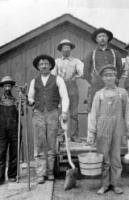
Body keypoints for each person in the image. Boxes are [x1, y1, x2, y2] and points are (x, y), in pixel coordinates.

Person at [87, 64, 129, 195]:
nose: (109, 78)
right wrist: (92, 133)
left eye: (111, 75)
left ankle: (116, 184)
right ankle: (105, 184)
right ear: (102, 78)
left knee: (116, 157)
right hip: (102, 128)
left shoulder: (122, 93)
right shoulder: (98, 94)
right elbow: (93, 114)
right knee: (103, 157)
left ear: (115, 77)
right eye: (106, 75)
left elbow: (128, 112)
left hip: (118, 127)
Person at [28, 54, 69, 184]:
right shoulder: (34, 81)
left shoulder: (58, 79)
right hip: (38, 113)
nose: (44, 66)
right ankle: (41, 173)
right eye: (41, 64)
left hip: (53, 113)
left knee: (52, 143)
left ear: (51, 65)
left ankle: (50, 172)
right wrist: (29, 101)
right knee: (39, 144)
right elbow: (31, 98)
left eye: (46, 63)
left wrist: (64, 112)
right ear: (38, 67)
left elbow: (65, 97)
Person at [84, 28, 123, 132]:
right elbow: (85, 72)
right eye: (99, 37)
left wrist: (115, 80)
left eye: (104, 36)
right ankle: (93, 134)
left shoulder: (115, 53)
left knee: (113, 108)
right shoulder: (91, 54)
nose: (102, 38)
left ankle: (113, 133)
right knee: (94, 109)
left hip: (113, 85)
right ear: (96, 40)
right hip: (97, 86)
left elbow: (120, 68)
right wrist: (93, 82)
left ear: (108, 38)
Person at [52, 39, 84, 143]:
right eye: (64, 47)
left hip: (72, 87)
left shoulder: (76, 61)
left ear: (71, 49)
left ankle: (74, 135)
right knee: (61, 111)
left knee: (74, 112)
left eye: (68, 47)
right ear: (61, 49)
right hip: (60, 87)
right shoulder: (57, 61)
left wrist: (76, 76)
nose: (66, 49)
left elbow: (82, 72)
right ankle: (61, 134)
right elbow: (53, 75)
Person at [0, 76, 21, 184]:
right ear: (3, 87)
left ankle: (12, 175)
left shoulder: (16, 101)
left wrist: (21, 106)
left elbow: (22, 114)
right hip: (1, 131)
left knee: (14, 154)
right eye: (5, 86)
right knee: (1, 154)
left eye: (9, 86)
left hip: (15, 130)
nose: (7, 88)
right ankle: (0, 177)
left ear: (11, 87)